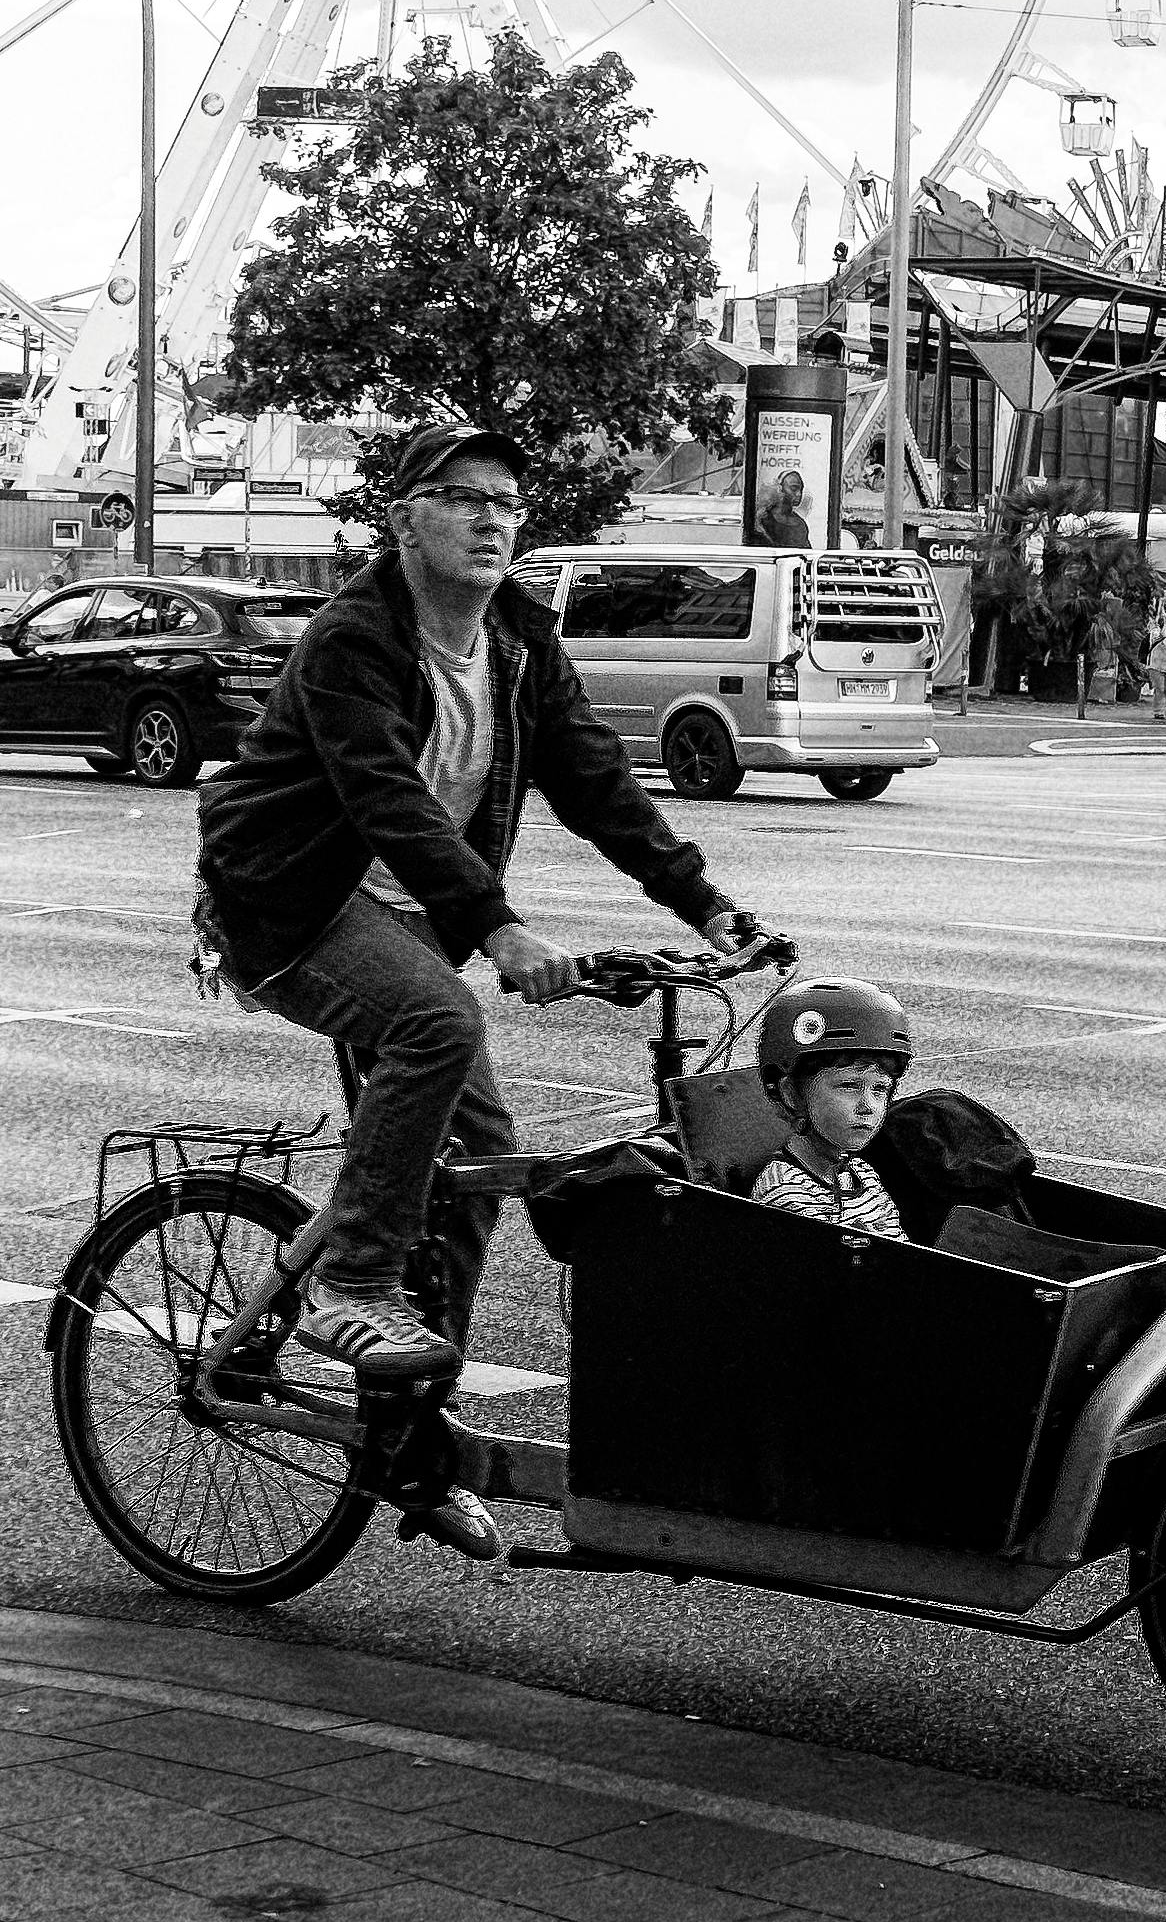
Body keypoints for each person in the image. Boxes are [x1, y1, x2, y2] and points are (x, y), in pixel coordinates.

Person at [196, 422, 764, 1424]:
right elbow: (387, 802)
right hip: (290, 902)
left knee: (477, 1160)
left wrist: (703, 901)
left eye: (505, 503)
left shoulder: (517, 638)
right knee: (438, 1023)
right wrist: (499, 930)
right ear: (405, 519)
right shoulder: (353, 640)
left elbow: (592, 776)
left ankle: (414, 1423)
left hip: (411, 918)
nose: (490, 519)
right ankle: (353, 1282)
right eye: (463, 498)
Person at [750, 980, 914, 1243]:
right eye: (848, 1086)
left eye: (880, 1089)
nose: (867, 1106)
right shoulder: (785, 1189)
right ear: (791, 1093)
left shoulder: (861, 1173)